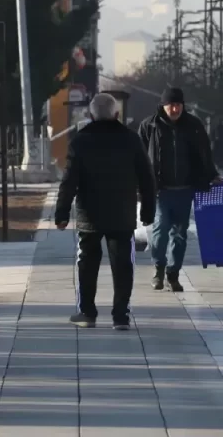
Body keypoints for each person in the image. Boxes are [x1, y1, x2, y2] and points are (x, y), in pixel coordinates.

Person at [55, 93, 157, 331]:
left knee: (87, 264)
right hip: (122, 214)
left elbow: (69, 180)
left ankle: (87, 313)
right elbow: (147, 178)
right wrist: (148, 212)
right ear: (117, 114)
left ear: (90, 116)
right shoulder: (131, 139)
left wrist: (61, 214)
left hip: (89, 214)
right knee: (123, 265)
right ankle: (120, 316)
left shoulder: (80, 141)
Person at [139, 87, 221, 293]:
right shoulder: (149, 125)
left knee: (179, 234)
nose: (175, 109)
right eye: (171, 105)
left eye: (178, 105)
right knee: (159, 231)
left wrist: (212, 175)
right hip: (161, 189)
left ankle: (173, 274)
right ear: (163, 105)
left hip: (185, 189)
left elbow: (205, 153)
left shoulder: (193, 126)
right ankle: (158, 269)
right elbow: (138, 156)